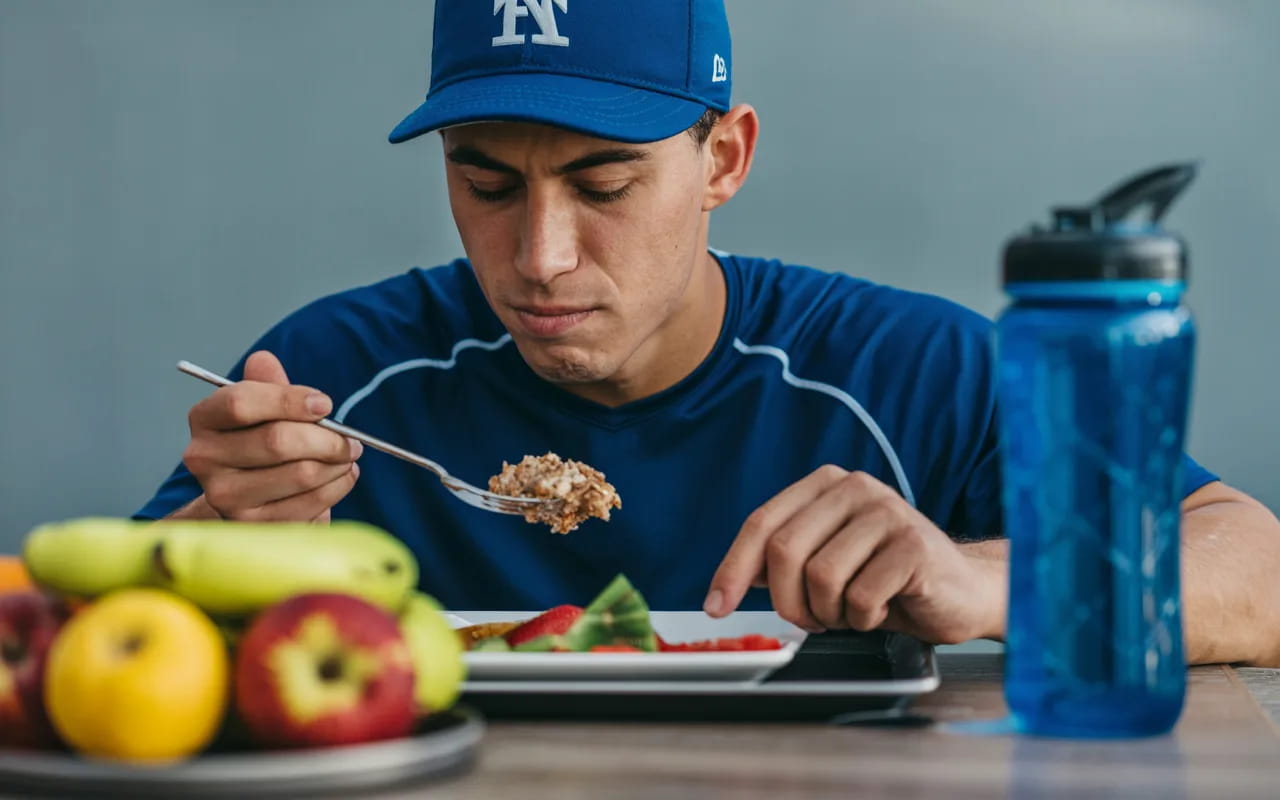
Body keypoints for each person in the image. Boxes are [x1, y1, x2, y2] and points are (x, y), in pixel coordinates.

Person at [136, 0, 1280, 665]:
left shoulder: (905, 368)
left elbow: (1258, 567)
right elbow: (90, 637)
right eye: (485, 182)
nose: (538, 257)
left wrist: (982, 582)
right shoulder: (340, 378)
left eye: (604, 183)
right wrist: (203, 536)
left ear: (721, 160)